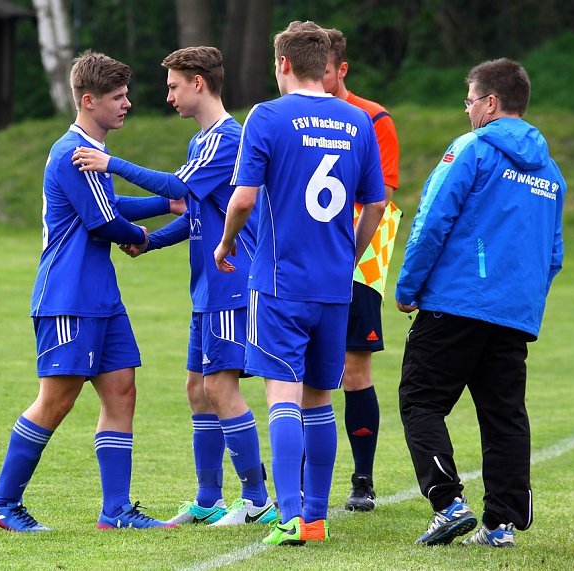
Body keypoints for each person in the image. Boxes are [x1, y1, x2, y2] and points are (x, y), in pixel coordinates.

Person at [72, 46, 277, 527]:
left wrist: (111, 164)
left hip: (231, 280)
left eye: (173, 86)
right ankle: (208, 499)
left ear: (198, 83)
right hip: (206, 286)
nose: (168, 97)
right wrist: (151, 242)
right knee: (197, 389)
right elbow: (195, 215)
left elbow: (177, 189)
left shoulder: (227, 139)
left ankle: (256, 499)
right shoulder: (201, 141)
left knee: (220, 386)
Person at [0, 51, 179, 533]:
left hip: (100, 297)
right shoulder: (72, 151)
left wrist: (166, 203)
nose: (126, 104)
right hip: (67, 297)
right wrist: (143, 236)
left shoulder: (93, 154)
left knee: (122, 389)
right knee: (58, 398)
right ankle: (2, 500)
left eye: (126, 95)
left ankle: (117, 510)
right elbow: (102, 220)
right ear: (88, 101)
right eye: (117, 97)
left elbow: (110, 201)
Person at [214, 21, 385, 546]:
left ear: (284, 63)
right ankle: (315, 518)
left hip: (280, 281)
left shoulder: (267, 116)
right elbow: (376, 204)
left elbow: (244, 198)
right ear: (324, 65)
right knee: (319, 400)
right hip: (334, 286)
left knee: (282, 397)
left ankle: (289, 514)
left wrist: (226, 244)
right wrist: (347, 255)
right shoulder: (358, 120)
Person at [395, 58, 565, 548]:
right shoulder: (550, 171)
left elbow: (432, 221)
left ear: (490, 103)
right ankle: (500, 525)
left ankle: (448, 503)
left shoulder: (471, 150)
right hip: (513, 313)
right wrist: (522, 300)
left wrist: (408, 288)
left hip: (456, 301)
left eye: (469, 101)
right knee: (503, 415)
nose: (467, 110)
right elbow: (553, 254)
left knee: (420, 401)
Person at [319, 27, 402, 512]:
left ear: (342, 69)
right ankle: (302, 480)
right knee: (303, 370)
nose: (317, 78)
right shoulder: (293, 115)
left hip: (360, 257)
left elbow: (381, 198)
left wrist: (346, 252)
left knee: (354, 367)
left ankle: (363, 480)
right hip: (310, 255)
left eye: (325, 71)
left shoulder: (374, 118)